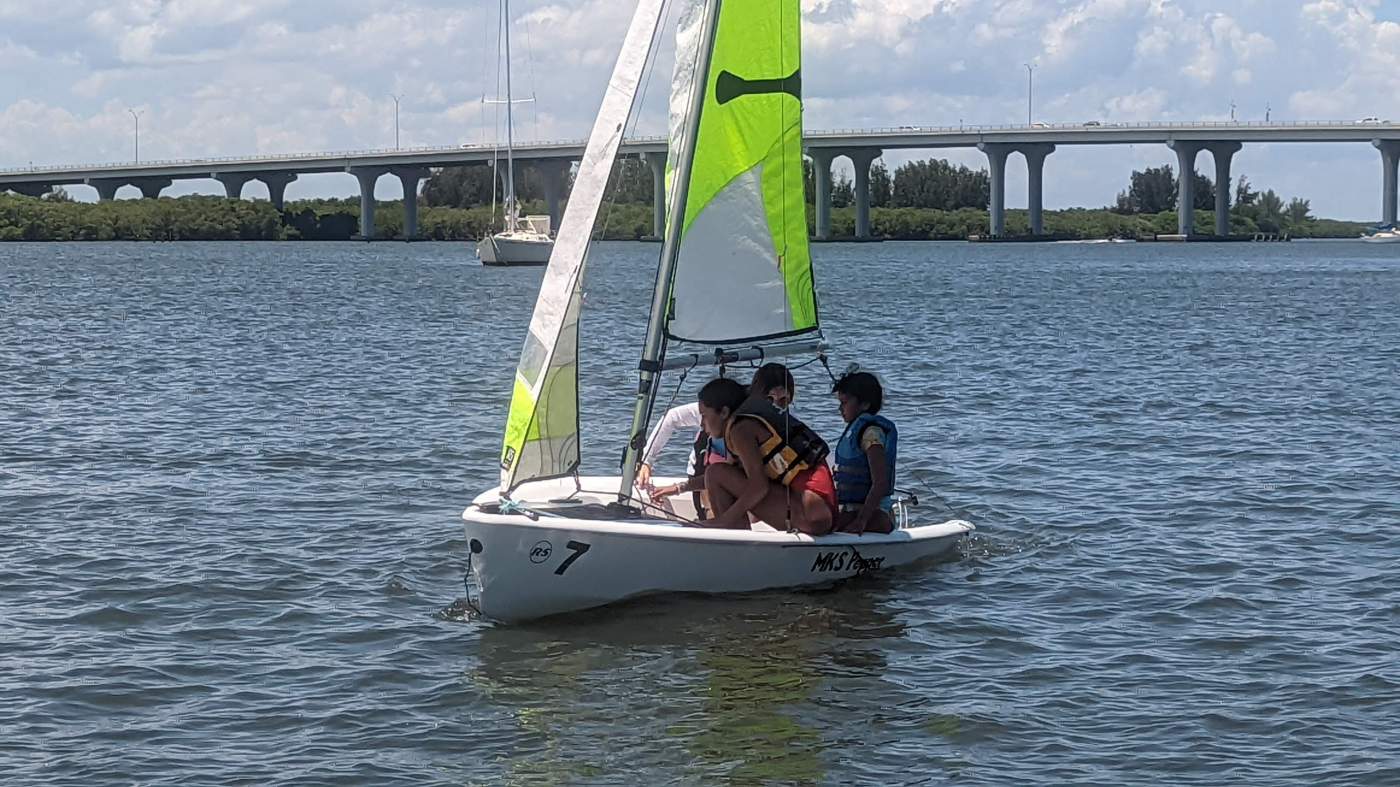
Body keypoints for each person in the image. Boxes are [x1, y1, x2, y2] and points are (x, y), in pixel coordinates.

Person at [646, 364, 798, 516]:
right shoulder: (717, 408)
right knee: (717, 474)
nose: (777, 406)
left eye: (784, 400)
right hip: (704, 476)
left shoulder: (777, 422)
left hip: (742, 478)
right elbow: (672, 417)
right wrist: (647, 461)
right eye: (770, 399)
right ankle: (713, 520)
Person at [698, 377, 836, 534]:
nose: (702, 424)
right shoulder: (750, 417)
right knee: (717, 473)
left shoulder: (741, 430)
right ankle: (735, 537)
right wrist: (679, 488)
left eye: (704, 415)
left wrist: (723, 520)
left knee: (716, 473)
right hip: (821, 511)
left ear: (723, 412)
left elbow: (759, 487)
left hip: (811, 517)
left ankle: (735, 541)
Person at [831, 371, 898, 535]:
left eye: (845, 403)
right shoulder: (855, 430)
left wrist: (861, 521)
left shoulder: (871, 434)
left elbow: (880, 483)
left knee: (826, 523)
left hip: (875, 514)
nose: (840, 408)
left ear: (865, 404)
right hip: (851, 508)